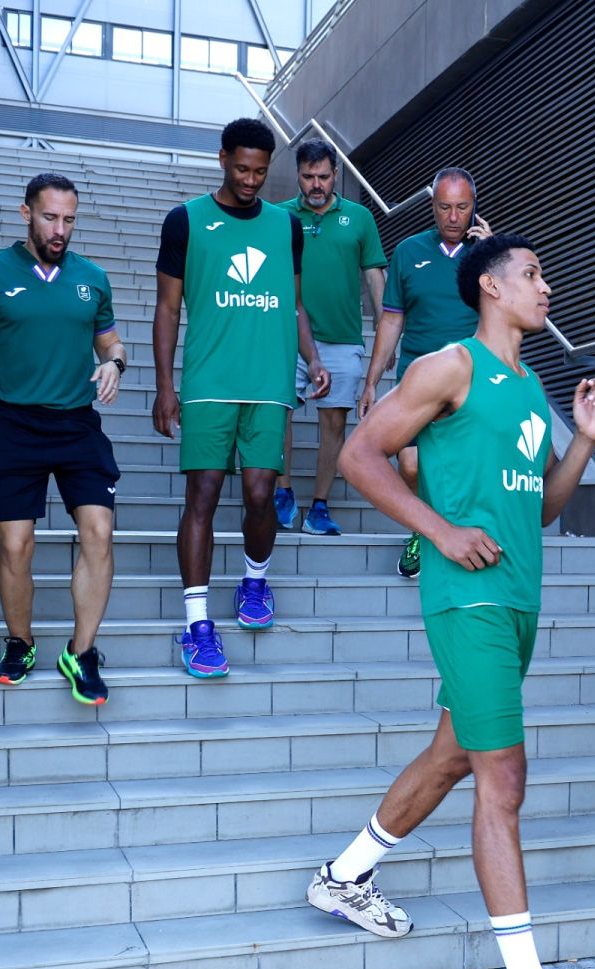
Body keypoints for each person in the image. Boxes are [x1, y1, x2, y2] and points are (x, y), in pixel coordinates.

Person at [314, 234, 595, 969]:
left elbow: (543, 506)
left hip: (517, 597)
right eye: (533, 273)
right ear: (490, 286)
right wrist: (440, 531)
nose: (545, 286)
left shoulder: (527, 389)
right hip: (469, 599)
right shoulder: (449, 366)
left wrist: (584, 440)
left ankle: (344, 875)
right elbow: (357, 453)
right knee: (502, 775)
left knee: (454, 753)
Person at [0, 171, 126, 705]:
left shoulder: (92, 277)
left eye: (69, 219)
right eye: (50, 217)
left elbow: (113, 344)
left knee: (100, 533)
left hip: (78, 425)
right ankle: (20, 643)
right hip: (16, 425)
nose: (60, 228)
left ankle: (81, 653)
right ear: (26, 214)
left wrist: (115, 364)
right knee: (16, 544)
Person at [152, 118, 327, 678]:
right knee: (201, 497)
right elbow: (168, 308)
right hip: (209, 385)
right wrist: (164, 385)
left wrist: (313, 357)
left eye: (260, 170)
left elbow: (294, 304)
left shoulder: (286, 227)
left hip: (269, 385)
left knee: (259, 496)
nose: (251, 180)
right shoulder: (186, 221)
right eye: (241, 168)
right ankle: (198, 624)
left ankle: (254, 580)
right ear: (223, 158)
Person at [361, 167, 488, 578]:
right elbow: (392, 320)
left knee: (467, 465)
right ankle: (421, 529)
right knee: (411, 464)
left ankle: (463, 533)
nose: (453, 217)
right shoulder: (408, 251)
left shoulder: (488, 255)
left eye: (462, 208)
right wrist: (372, 380)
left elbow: (513, 312)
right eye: (445, 207)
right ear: (432, 205)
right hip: (417, 380)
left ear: (474, 207)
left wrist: (493, 255)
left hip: (471, 379)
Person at [272, 138, 389, 537]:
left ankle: (319, 507)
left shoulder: (358, 218)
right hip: (287, 335)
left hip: (341, 339)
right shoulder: (278, 216)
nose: (316, 184)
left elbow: (375, 275)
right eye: (308, 177)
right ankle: (282, 491)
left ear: (335, 174)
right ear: (298, 175)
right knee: (276, 413)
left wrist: (384, 336)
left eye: (323, 176)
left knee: (334, 423)